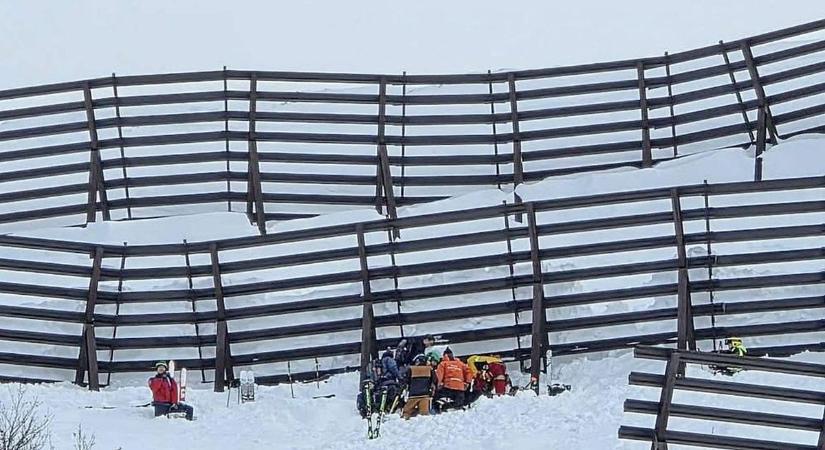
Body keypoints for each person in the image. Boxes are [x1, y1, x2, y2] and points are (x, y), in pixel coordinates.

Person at [401, 354, 435, 419]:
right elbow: (435, 380)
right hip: (425, 395)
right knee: (424, 415)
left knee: (406, 412)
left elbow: (406, 381)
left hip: (413, 395)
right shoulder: (430, 369)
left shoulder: (411, 369)